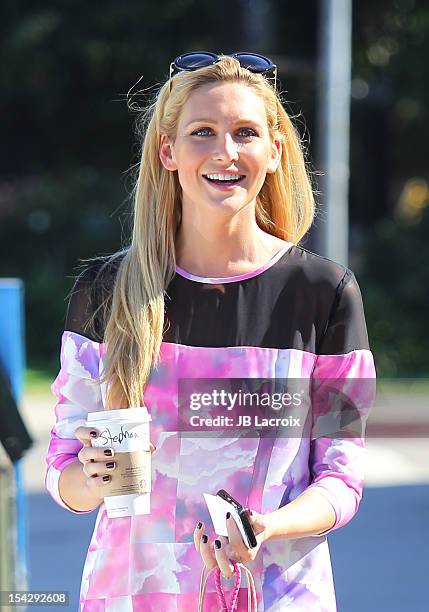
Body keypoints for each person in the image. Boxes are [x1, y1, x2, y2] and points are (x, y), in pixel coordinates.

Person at [45, 52, 376, 611]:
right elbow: (62, 475)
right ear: (168, 151)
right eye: (203, 132)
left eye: (245, 132)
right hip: (132, 595)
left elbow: (342, 480)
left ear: (274, 152)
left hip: (277, 596)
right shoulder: (106, 291)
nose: (226, 152)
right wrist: (94, 477)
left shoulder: (324, 293)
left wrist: (267, 527)